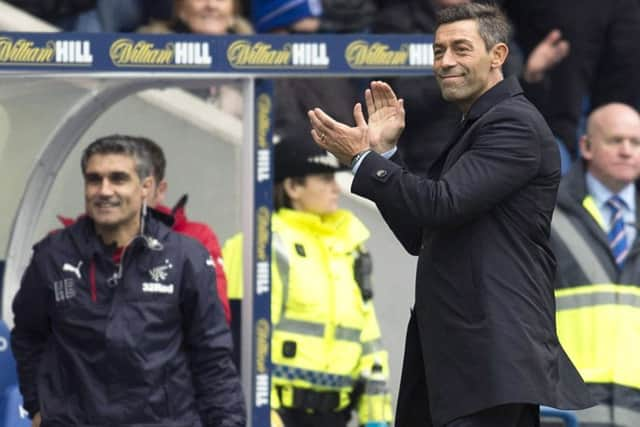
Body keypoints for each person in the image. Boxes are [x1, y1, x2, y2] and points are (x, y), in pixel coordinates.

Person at [308, 3, 593, 427]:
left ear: (497, 56)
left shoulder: (512, 123)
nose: (445, 62)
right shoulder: (475, 124)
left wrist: (364, 160)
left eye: (460, 49)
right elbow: (421, 233)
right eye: (438, 51)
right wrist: (385, 153)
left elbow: (441, 204)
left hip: (491, 362)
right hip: (455, 361)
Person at [10, 135, 245, 427]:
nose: (104, 190)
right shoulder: (53, 255)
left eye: (118, 179)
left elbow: (212, 355)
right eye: (94, 180)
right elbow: (27, 338)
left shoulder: (185, 256)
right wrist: (37, 407)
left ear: (146, 187)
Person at [223, 128, 393, 427]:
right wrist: (262, 417)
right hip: (277, 416)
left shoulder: (350, 247)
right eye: (325, 179)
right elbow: (241, 342)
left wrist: (377, 419)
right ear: (292, 187)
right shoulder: (259, 244)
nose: (336, 189)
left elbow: (369, 343)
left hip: (338, 417)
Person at [551, 103, 640, 427]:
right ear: (586, 146)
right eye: (616, 141)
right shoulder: (548, 214)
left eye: (636, 142)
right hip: (567, 413)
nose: (627, 151)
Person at [139, 137, 232, 324]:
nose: (118, 191)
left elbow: (215, 317)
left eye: (140, 184)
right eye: (98, 179)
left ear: (160, 189)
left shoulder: (195, 238)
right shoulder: (73, 242)